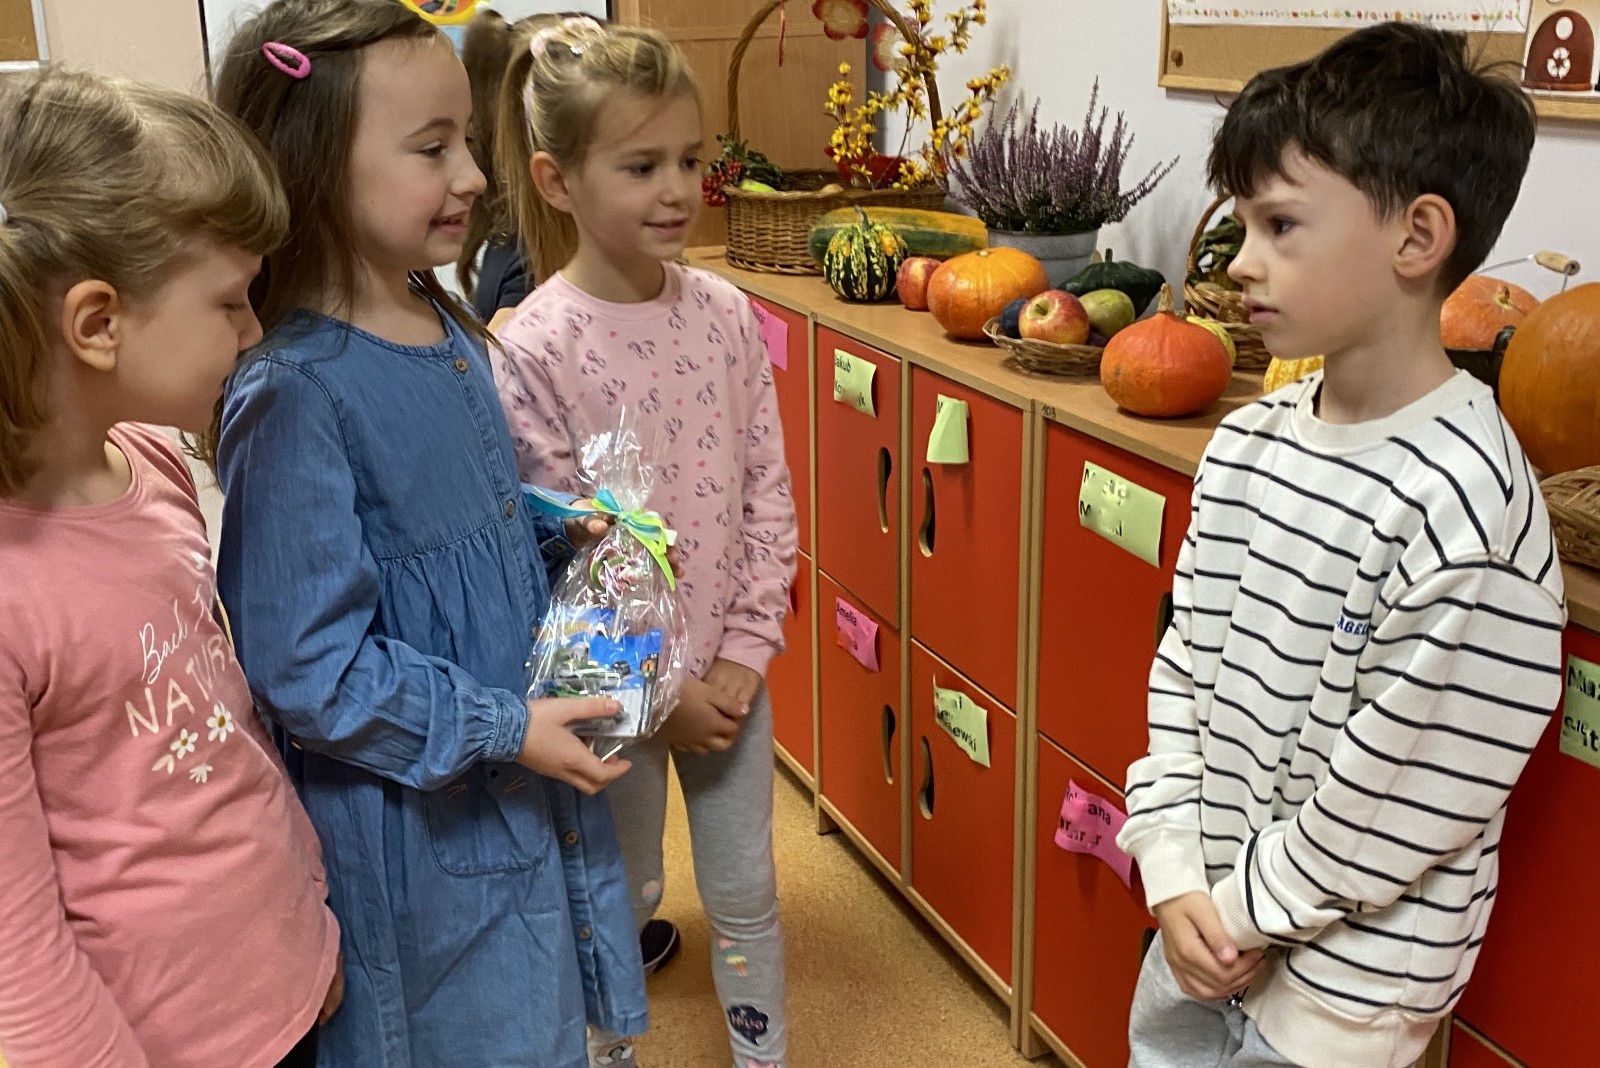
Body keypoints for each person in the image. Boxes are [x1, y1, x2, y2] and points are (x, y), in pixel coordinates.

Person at [1116, 21, 1567, 1068]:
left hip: (1338, 1000)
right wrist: (1173, 869)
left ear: (1418, 237)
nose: (1242, 261)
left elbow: (1403, 796)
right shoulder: (1246, 444)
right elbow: (1183, 666)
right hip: (1197, 924)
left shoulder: (1469, 507)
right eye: (1242, 224)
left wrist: (1244, 913)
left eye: (1280, 225)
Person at [205, 2, 648, 1064]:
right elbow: (309, 668)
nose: (474, 177)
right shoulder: (295, 391)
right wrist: (502, 726)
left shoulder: (442, 322)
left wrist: (552, 532)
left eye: (469, 143)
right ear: (315, 164)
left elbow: (445, 529)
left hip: (504, 794)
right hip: (421, 839)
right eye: (432, 148)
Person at [0, 69, 341, 1068]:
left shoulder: (151, 461)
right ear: (97, 323)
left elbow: (220, 733)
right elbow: (18, 955)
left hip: (281, 985)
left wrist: (308, 923)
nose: (252, 332)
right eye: (230, 302)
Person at [493, 18, 798, 1068]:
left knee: (746, 892)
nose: (677, 190)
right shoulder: (532, 347)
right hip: (609, 689)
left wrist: (742, 653)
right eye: (640, 166)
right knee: (617, 895)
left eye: (689, 160)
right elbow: (564, 555)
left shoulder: (725, 314)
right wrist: (662, 692)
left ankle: (763, 1054)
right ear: (558, 180)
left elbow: (766, 492)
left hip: (730, 682)